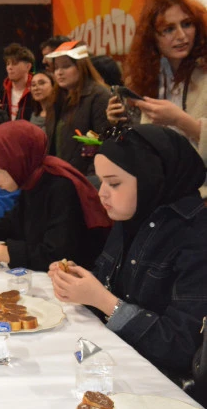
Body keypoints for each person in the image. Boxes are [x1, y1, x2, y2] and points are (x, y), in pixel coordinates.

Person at [48, 125, 207, 384]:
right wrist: (78, 282)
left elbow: (183, 348)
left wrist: (104, 301)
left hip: (164, 384)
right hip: (117, 360)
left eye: (114, 183)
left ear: (150, 180)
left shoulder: (196, 236)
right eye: (101, 181)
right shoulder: (132, 216)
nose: (101, 193)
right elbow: (109, 283)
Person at [0, 120, 111, 271]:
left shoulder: (60, 187)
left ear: (15, 161)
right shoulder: (31, 180)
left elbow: (57, 255)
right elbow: (16, 226)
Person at [106, 0, 207, 196]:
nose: (181, 36)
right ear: (153, 37)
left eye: (187, 24)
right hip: (162, 191)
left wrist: (180, 120)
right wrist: (119, 121)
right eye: (168, 29)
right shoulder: (150, 79)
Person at [45, 41, 111, 175]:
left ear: (81, 66)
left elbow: (102, 144)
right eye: (56, 67)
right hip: (59, 174)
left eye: (66, 66)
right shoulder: (57, 97)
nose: (59, 72)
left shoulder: (99, 96)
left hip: (85, 177)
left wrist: (91, 179)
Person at [0, 43, 35, 121]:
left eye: (14, 63)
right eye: (8, 64)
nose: (9, 67)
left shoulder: (36, 91)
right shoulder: (1, 93)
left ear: (28, 66)